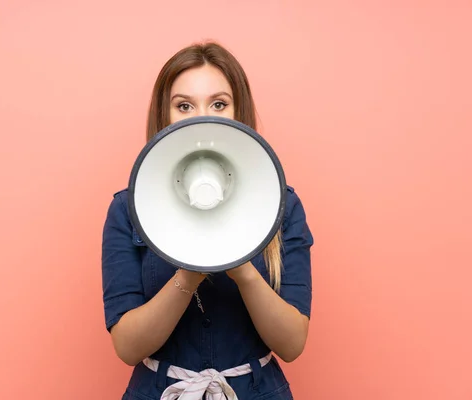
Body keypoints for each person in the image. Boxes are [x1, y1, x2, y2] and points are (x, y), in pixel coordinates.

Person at [101, 41, 314, 400]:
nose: (202, 117)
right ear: (164, 116)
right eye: (184, 106)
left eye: (219, 103)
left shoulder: (283, 207)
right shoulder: (127, 210)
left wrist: (241, 266)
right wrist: (189, 272)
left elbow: (292, 344)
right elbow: (128, 347)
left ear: (238, 111)